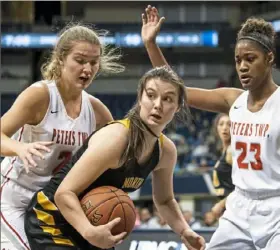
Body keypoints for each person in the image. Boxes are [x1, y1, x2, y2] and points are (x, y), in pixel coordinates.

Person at [142, 5, 280, 250]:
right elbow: (178, 90)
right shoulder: (233, 99)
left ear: (269, 58)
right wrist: (151, 44)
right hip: (240, 206)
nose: (243, 67)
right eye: (238, 60)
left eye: (251, 59)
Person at [24, 66, 206, 250]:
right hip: (52, 218)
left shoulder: (166, 151)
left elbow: (165, 200)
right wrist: (89, 232)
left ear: (178, 107)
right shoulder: (116, 139)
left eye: (167, 99)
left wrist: (184, 230)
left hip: (93, 226)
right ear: (140, 97)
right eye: (151, 95)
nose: (158, 104)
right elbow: (64, 193)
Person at [1, 23, 124, 250]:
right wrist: (19, 148)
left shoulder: (97, 112)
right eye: (80, 60)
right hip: (16, 197)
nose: (87, 68)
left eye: (93, 62)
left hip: (52, 204)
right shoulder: (40, 95)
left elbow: (115, 159)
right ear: (60, 59)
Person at [211, 114, 234, 219]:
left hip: (235, 207)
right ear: (216, 128)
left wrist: (221, 204)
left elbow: (243, 186)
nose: (225, 128)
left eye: (229, 124)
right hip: (228, 207)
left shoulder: (231, 151)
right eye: (221, 124)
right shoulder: (223, 151)